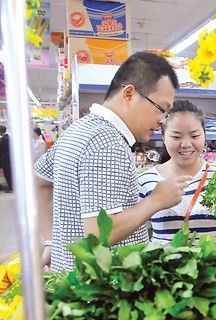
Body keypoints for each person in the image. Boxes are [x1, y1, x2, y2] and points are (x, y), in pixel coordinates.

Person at [35, 51, 192, 273]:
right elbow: (99, 234)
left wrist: (52, 240)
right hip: (101, 287)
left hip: (74, 278)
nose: (162, 121)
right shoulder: (107, 142)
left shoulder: (80, 128)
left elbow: (39, 180)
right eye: (161, 109)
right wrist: (156, 200)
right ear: (129, 94)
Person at [138, 100, 216, 243]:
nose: (186, 144)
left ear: (204, 135)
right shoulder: (145, 182)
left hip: (215, 264)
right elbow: (141, 237)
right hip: (163, 265)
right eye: (176, 137)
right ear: (163, 138)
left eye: (195, 136)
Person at [0, 125, 12, 193]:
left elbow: (2, 150)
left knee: (7, 173)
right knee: (9, 173)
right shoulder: (8, 138)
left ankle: (11, 187)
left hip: (5, 160)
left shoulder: (4, 139)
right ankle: (11, 187)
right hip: (9, 159)